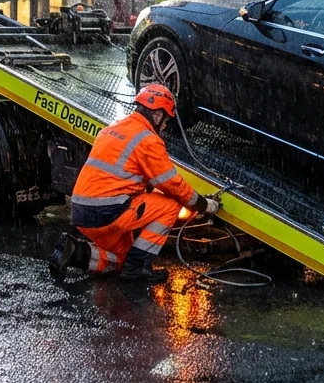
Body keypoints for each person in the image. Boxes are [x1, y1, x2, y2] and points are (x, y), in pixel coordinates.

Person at [49, 84, 219, 284]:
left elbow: (123, 178)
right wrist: (203, 205)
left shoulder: (111, 130)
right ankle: (137, 267)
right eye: (165, 120)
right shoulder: (148, 140)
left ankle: (77, 252)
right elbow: (172, 185)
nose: (164, 126)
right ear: (157, 115)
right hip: (108, 213)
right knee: (171, 205)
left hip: (82, 213)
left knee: (122, 259)